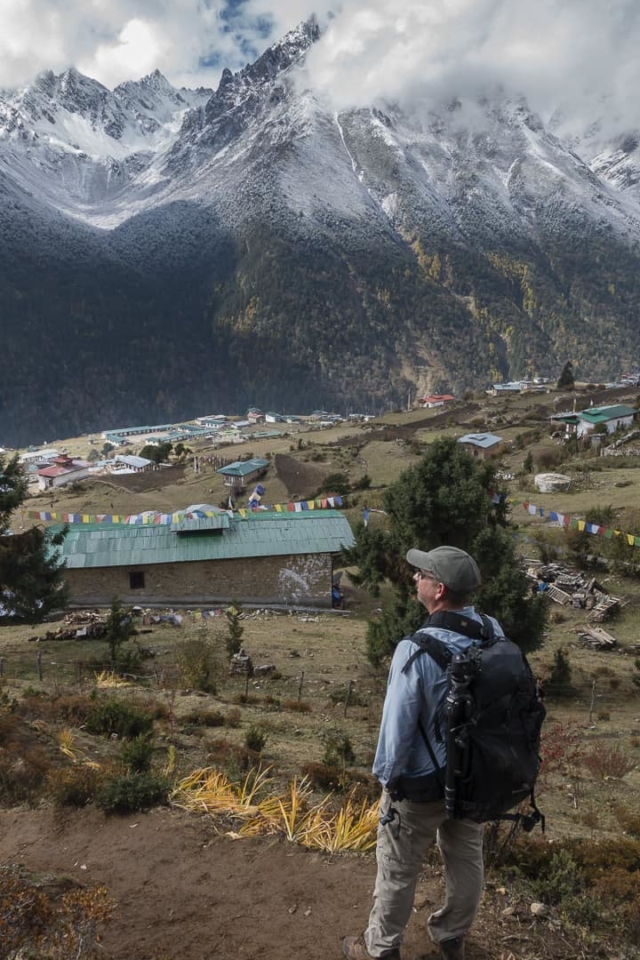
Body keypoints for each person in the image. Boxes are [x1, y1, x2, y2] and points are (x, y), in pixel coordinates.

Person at [343, 545, 505, 960]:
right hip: (475, 778)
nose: (415, 578)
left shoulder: (414, 649)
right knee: (467, 859)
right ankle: (451, 936)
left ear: (439, 589)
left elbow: (396, 726)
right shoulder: (493, 631)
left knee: (397, 868)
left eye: (422, 575)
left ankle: (380, 949)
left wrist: (387, 781)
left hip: (420, 784)